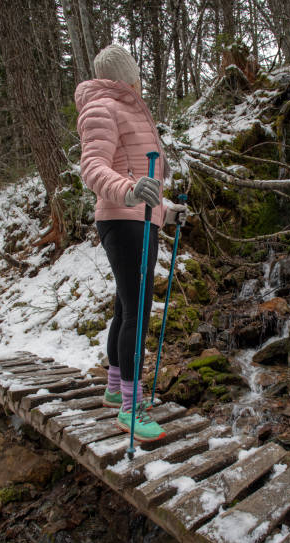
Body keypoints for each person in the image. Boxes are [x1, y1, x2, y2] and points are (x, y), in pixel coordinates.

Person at [75, 45, 187, 442]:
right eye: (135, 72)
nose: (140, 78)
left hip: (139, 218)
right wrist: (130, 191)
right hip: (123, 219)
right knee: (137, 311)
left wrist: (165, 209)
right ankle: (130, 407)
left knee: (126, 305)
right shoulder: (103, 107)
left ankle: (113, 386)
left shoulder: (129, 106)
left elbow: (141, 173)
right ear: (124, 75)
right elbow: (93, 167)